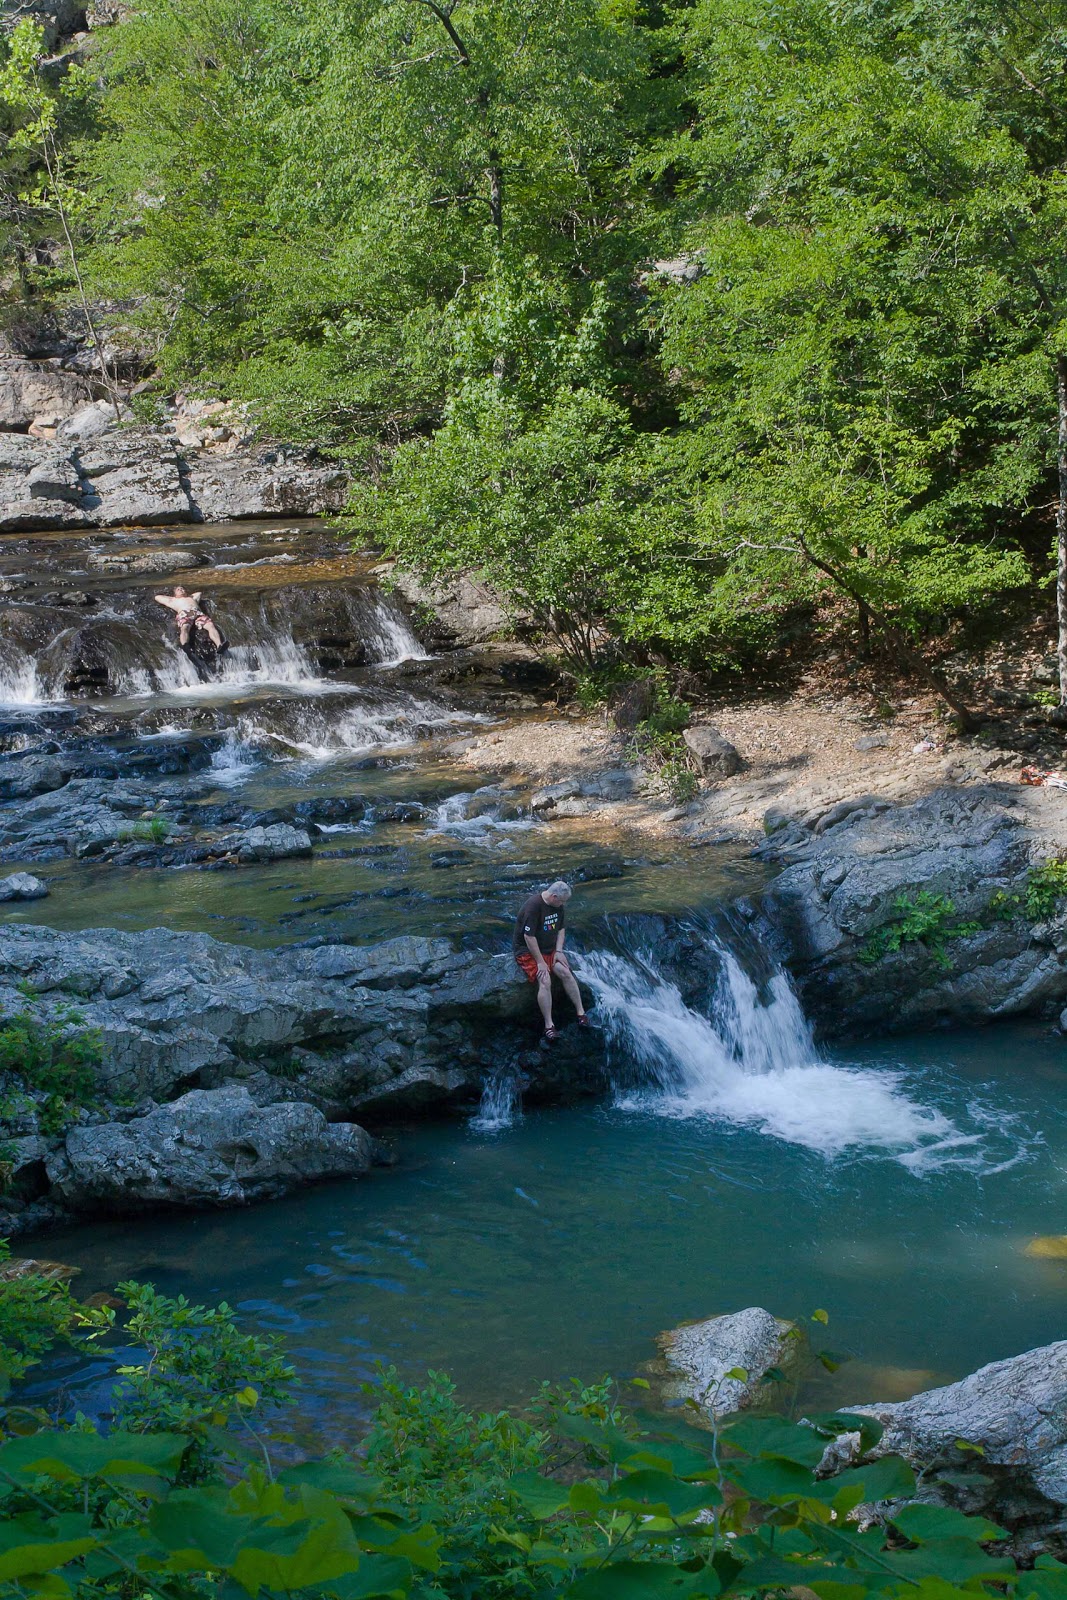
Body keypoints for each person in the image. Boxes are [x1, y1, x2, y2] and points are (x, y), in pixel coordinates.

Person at [512, 880, 589, 1041]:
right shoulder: (533, 906)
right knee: (545, 980)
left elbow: (561, 929)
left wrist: (559, 951)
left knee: (565, 972)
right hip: (528, 951)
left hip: (549, 949)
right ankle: (549, 1025)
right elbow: (528, 937)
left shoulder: (558, 905)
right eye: (562, 901)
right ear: (554, 896)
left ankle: (581, 1013)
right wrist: (540, 962)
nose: (563, 904)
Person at [154, 586, 226, 652]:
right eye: (178, 589)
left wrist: (188, 596)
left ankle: (219, 645)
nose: (181, 590)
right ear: (175, 594)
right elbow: (157, 597)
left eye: (182, 589)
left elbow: (199, 593)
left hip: (198, 613)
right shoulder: (173, 600)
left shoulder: (192, 598)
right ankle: (185, 646)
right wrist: (172, 597)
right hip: (185, 613)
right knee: (185, 628)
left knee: (210, 626)